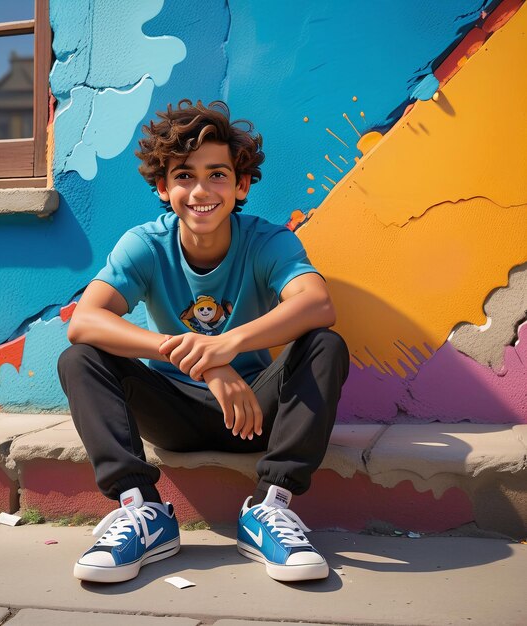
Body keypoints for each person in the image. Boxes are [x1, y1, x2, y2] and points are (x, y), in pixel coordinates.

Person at [57, 99, 350, 584]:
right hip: (175, 413)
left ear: (241, 185)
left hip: (255, 410)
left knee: (325, 345)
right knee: (81, 358)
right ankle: (142, 512)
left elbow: (317, 304)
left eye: (217, 175)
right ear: (162, 187)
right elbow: (85, 321)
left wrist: (228, 345)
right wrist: (202, 360)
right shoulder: (146, 244)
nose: (200, 190)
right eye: (183, 176)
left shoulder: (267, 240)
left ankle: (270, 509)